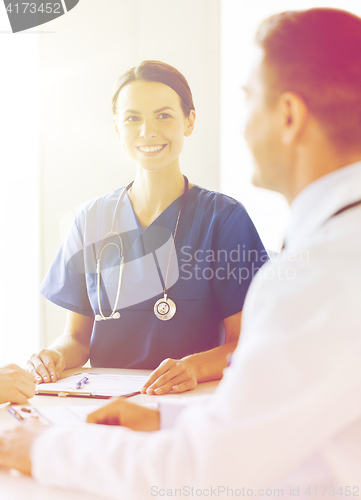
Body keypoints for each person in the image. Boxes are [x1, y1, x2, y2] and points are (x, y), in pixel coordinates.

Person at [2, 7, 361, 498]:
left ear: (289, 116)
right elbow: (272, 409)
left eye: (247, 99)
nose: (148, 131)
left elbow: (198, 468)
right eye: (132, 118)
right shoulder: (332, 251)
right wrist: (164, 417)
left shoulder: (311, 273)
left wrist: (36, 448)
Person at [26, 61, 266, 395]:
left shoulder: (223, 219)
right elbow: (78, 340)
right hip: (102, 403)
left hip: (189, 402)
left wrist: (192, 368)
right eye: (132, 118)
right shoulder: (90, 220)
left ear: (189, 121)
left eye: (163, 115)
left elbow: (247, 341)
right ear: (116, 127)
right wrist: (53, 356)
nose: (147, 131)